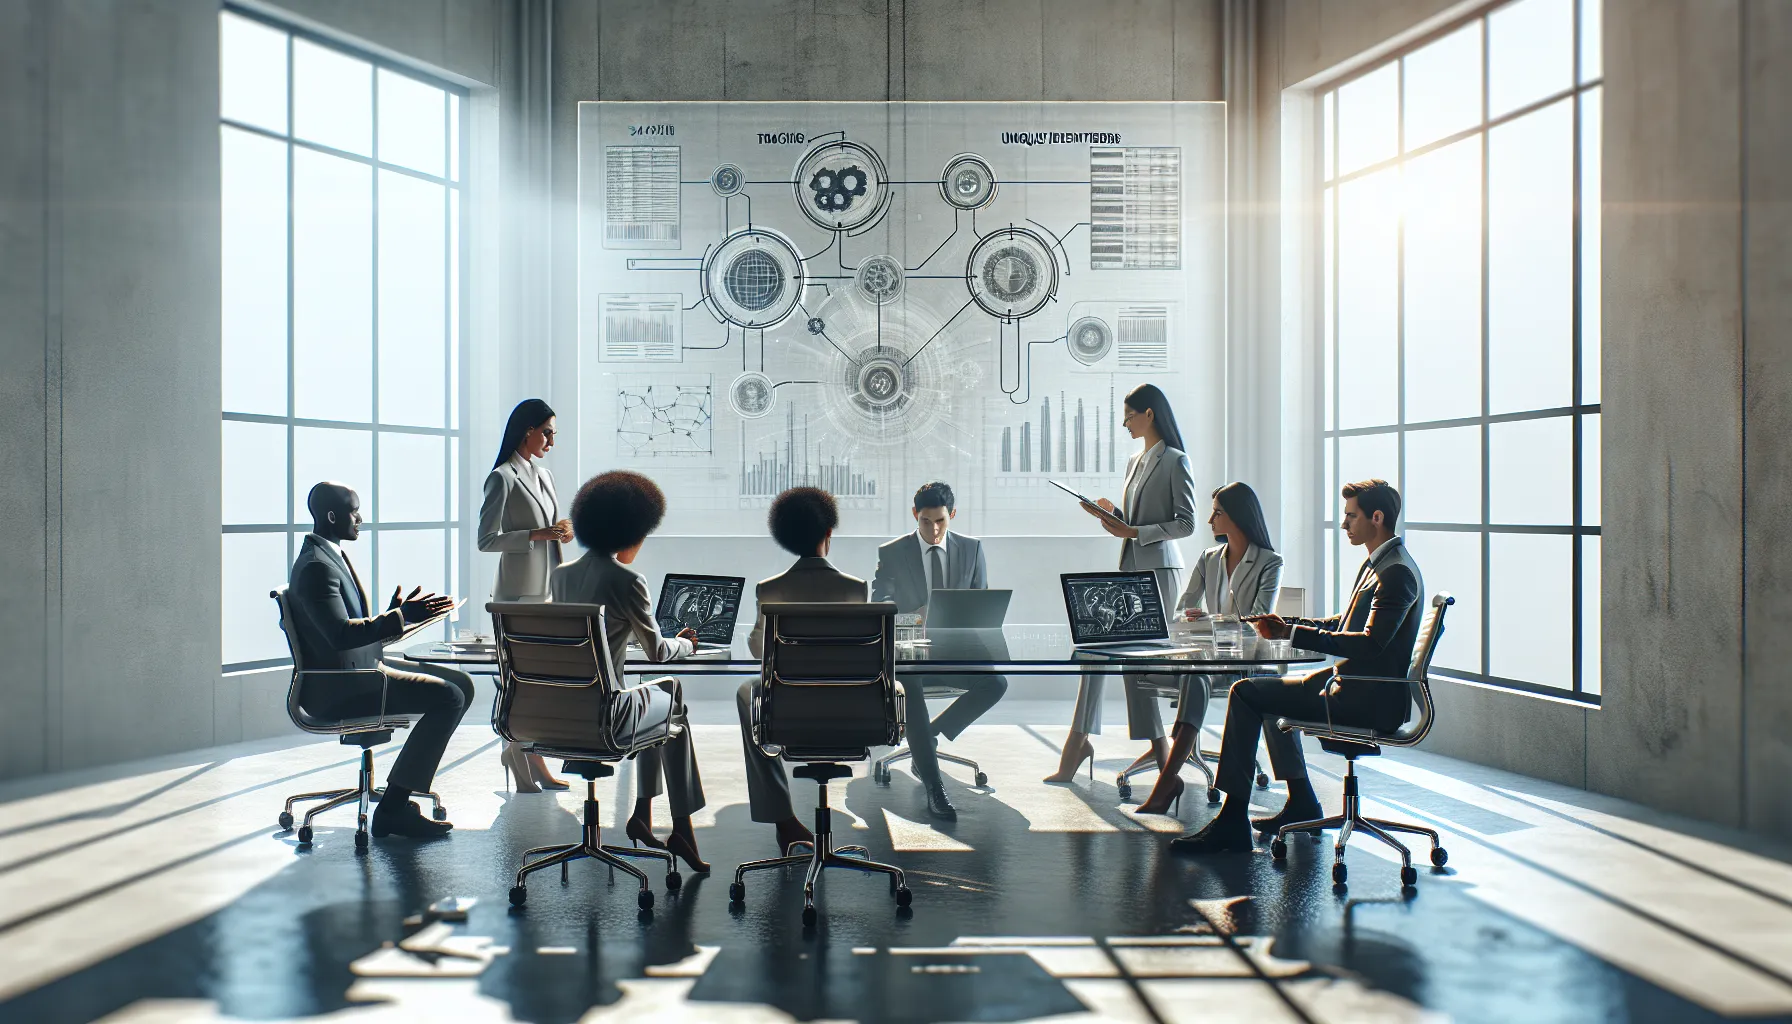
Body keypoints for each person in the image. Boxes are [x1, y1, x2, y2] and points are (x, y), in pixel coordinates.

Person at [1171, 479, 1424, 854]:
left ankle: (1231, 823)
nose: (1344, 525)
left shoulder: (1395, 573)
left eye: (1351, 517)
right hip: (1354, 686)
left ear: (1376, 517)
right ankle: (1302, 800)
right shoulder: (1381, 564)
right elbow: (1346, 623)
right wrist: (1291, 626)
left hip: (1366, 699)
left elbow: (1371, 644)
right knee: (1265, 690)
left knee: (1246, 692)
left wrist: (1292, 633)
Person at [287, 482, 474, 840]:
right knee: (449, 696)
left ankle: (397, 799)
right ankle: (392, 809)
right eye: (354, 511)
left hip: (359, 671)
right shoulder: (316, 567)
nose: (360, 519)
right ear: (332, 516)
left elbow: (344, 630)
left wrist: (399, 614)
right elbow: (339, 635)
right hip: (341, 687)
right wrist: (400, 615)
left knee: (461, 684)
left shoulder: (328, 557)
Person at [549, 470, 709, 873]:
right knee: (670, 698)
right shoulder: (628, 580)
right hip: (606, 720)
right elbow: (657, 651)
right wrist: (687, 644)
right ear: (631, 530)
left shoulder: (561, 576)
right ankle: (682, 827)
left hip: (561, 717)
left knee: (651, 701)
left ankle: (642, 813)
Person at [1045, 384, 1197, 784]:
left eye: (1129, 415)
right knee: (1096, 650)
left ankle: (1155, 753)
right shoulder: (1135, 460)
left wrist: (1133, 529)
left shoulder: (1176, 461)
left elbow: (1186, 523)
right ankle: (1082, 741)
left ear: (1149, 414)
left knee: (1137, 663)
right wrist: (1111, 512)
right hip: (1130, 570)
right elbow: (1135, 519)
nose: (1125, 423)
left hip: (1160, 573)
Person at [1131, 482, 1284, 814]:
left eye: (1218, 512)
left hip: (1242, 662)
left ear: (1238, 516)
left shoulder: (1270, 562)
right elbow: (1181, 612)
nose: (1210, 519)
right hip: (1203, 659)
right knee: (1155, 669)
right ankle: (1170, 776)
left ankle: (1167, 780)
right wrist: (1201, 619)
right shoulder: (1209, 558)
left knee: (1195, 675)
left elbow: (1256, 621)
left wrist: (1209, 619)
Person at [736, 487, 868, 855]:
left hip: (788, 718)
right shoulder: (854, 589)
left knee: (748, 693)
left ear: (787, 538)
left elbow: (760, 654)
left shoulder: (770, 589)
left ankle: (782, 819)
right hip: (849, 718)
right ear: (829, 532)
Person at [870, 481, 1008, 819]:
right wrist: (912, 615)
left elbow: (980, 600)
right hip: (910, 646)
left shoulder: (972, 549)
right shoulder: (893, 552)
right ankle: (935, 786)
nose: (934, 530)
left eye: (941, 521)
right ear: (915, 515)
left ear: (952, 515)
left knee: (997, 683)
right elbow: (879, 602)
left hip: (954, 649)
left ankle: (926, 740)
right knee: (912, 683)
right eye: (926, 521)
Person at [479, 398, 573, 792]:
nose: (551, 440)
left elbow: (550, 527)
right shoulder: (501, 477)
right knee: (519, 683)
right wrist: (537, 535)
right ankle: (516, 755)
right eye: (547, 432)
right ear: (527, 431)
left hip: (548, 590)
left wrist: (562, 531)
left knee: (543, 683)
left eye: (554, 433)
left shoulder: (544, 475)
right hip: (517, 596)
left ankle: (534, 760)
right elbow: (486, 541)